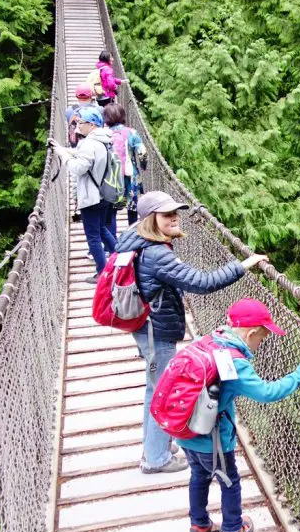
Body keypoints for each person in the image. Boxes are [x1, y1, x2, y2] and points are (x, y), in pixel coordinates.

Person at [113, 192, 271, 474]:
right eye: (166, 214)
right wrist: (243, 265)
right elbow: (202, 282)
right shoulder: (156, 254)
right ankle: (156, 458)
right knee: (160, 389)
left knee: (155, 386)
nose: (174, 217)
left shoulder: (134, 238)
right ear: (151, 220)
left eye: (176, 212)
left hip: (144, 324)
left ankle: (157, 442)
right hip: (155, 330)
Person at [179, 298, 300, 532]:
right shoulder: (235, 363)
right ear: (250, 333)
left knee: (199, 475)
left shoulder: (211, 339)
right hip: (213, 440)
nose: (259, 345)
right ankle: (234, 530)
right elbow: (268, 392)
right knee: (229, 480)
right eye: (260, 339)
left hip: (184, 431)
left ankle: (199, 527)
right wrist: (299, 373)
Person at [50, 107, 117, 283]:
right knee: (102, 230)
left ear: (92, 124)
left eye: (81, 123)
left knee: (93, 236)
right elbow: (84, 154)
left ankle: (102, 273)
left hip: (91, 197)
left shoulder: (88, 143)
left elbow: (78, 167)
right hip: (103, 194)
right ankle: (122, 258)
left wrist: (64, 158)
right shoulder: (104, 139)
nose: (77, 126)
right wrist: (61, 149)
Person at [103, 103, 146, 224]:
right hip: (131, 175)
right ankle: (132, 234)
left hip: (111, 177)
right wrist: (143, 166)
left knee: (111, 209)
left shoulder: (103, 134)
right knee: (132, 208)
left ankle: (112, 241)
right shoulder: (132, 132)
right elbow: (142, 152)